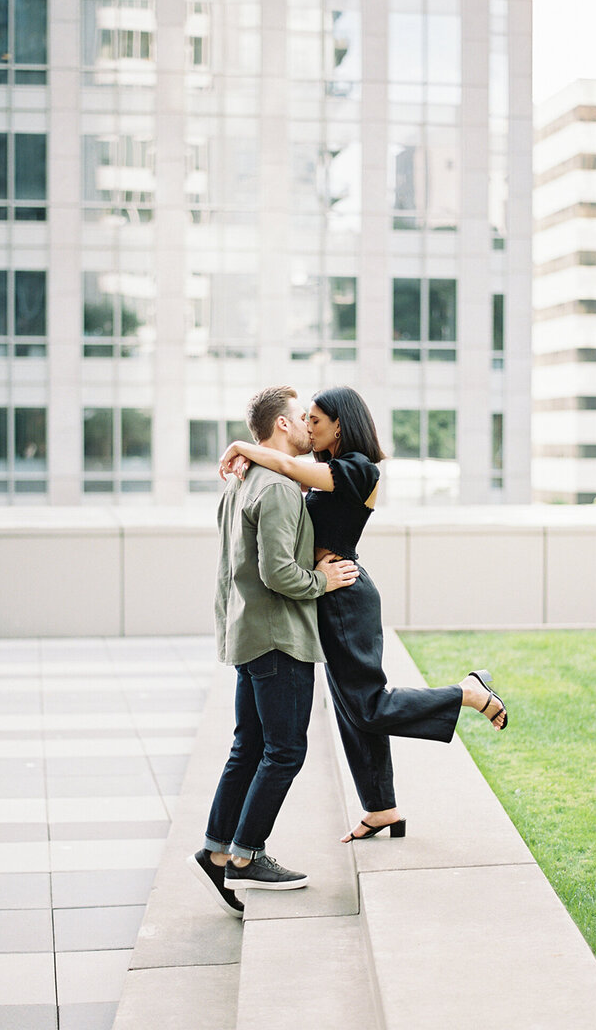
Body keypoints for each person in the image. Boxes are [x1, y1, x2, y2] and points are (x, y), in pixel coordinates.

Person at [218, 386, 508, 844]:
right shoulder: (327, 470)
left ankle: (466, 692)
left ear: (339, 423)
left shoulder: (358, 470)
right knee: (353, 710)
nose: (308, 427)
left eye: (315, 420)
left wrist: (241, 447)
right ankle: (381, 808)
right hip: (327, 594)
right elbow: (290, 479)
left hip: (345, 596)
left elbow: (291, 468)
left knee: (367, 706)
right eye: (304, 418)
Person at [187, 385, 359, 917]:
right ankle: (246, 855)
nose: (311, 428)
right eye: (302, 420)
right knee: (284, 751)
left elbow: (228, 572)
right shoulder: (280, 488)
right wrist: (322, 582)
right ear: (281, 426)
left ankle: (218, 848)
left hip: (247, 634)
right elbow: (278, 572)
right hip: (279, 638)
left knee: (249, 747)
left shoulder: (240, 485)